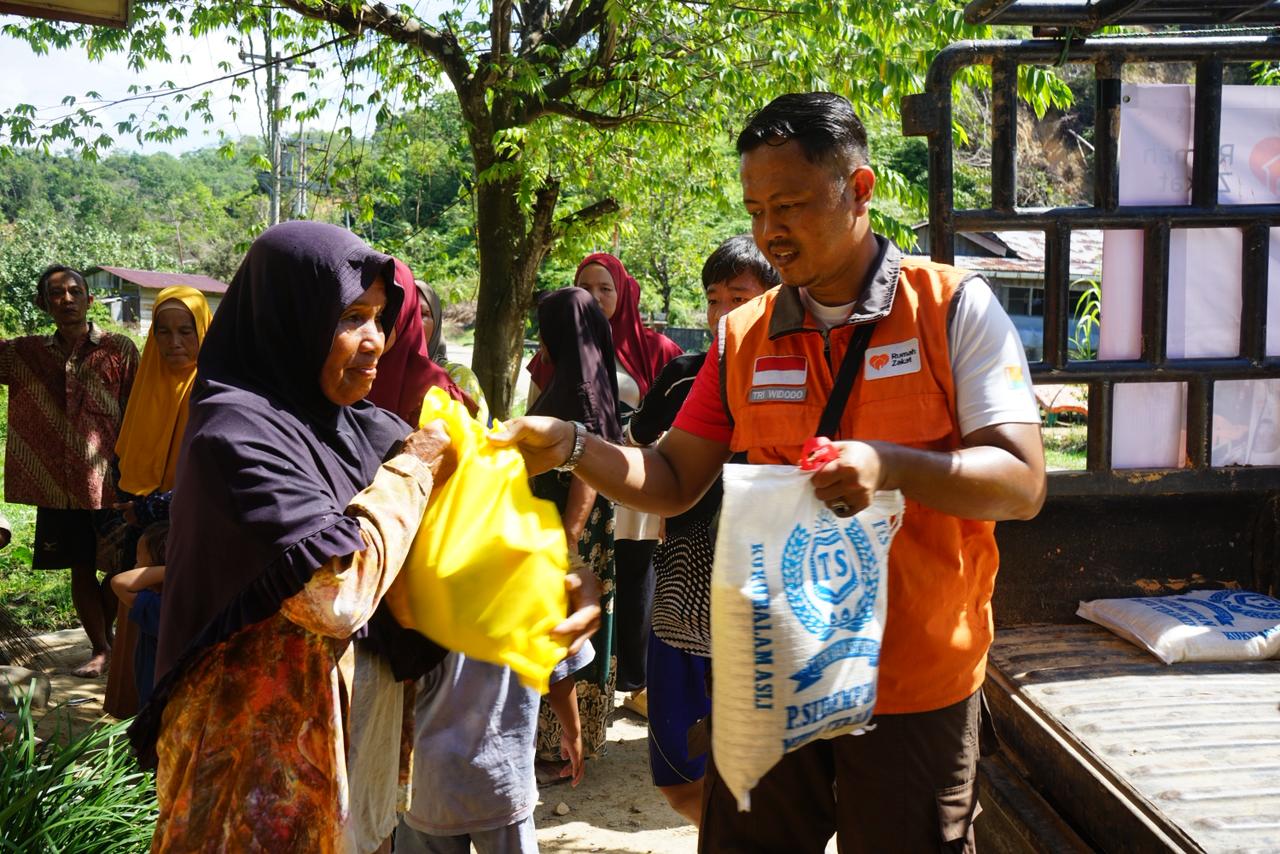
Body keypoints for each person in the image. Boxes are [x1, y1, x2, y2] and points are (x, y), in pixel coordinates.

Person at [493, 92, 1046, 852]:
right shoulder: (743, 337)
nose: (768, 233)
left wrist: (889, 464)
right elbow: (673, 477)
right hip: (773, 674)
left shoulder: (953, 308)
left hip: (914, 684)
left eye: (788, 206)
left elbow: (1021, 481)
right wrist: (573, 444)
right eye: (756, 210)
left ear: (859, 189)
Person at [125, 221, 600, 850]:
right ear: (291, 320)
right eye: (352, 318)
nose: (376, 340)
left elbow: (461, 511)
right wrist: (422, 461)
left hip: (355, 759)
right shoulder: (233, 435)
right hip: (258, 772)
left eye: (378, 318)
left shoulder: (356, 427)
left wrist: (557, 574)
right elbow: (338, 593)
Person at [624, 234, 778, 825]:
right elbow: (640, 441)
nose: (722, 313)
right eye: (714, 299)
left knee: (765, 779)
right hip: (684, 593)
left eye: (739, 297)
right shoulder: (683, 377)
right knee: (678, 776)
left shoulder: (796, 377)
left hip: (763, 599)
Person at [531, 253, 683, 696]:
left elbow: (676, 423)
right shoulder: (558, 347)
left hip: (638, 474)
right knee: (597, 579)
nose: (596, 297)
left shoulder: (657, 350)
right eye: (587, 287)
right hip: (582, 486)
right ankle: (594, 681)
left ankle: (633, 678)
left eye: (605, 288)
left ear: (624, 291)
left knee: (635, 573)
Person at [0, 265, 139, 678]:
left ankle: (109, 640)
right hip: (57, 484)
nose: (67, 299)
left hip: (113, 480)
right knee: (80, 566)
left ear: (89, 299)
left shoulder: (119, 349)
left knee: (121, 565)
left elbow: (139, 407)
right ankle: (100, 648)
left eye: (75, 291)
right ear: (43, 303)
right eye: (56, 293)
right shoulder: (24, 353)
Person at [526, 287, 622, 777]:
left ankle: (560, 746)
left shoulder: (578, 393)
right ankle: (572, 739)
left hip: (569, 534)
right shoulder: (590, 382)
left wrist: (567, 537)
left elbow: (585, 470)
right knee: (574, 635)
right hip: (578, 533)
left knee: (562, 635)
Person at [104, 286, 210, 717]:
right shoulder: (146, 386)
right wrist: (133, 508)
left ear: (204, 332)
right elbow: (123, 459)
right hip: (142, 536)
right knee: (140, 641)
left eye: (186, 331)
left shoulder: (213, 392)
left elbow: (211, 477)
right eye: (163, 332)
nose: (174, 342)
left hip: (191, 534)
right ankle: (135, 723)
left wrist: (152, 508)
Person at [395, 644, 593, 854]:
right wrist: (572, 733)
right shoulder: (533, 620)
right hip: (502, 780)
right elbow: (560, 674)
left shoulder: (414, 620)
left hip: (428, 781)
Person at [108, 521, 168, 707]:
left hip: (158, 699)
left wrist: (175, 568)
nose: (135, 566)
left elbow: (119, 583)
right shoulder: (159, 599)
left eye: (139, 559)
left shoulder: (159, 606)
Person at [415, 278, 488, 424]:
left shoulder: (457, 378)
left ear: (436, 322)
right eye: (407, 312)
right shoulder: (372, 372)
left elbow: (474, 434)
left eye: (424, 314)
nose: (413, 321)